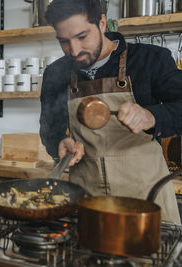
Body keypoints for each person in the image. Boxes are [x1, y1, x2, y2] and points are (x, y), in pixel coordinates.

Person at [39, 0, 182, 223]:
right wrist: (60, 143)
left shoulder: (150, 60)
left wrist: (152, 116)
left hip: (146, 198)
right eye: (64, 42)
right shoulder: (56, 74)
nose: (74, 50)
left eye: (82, 36)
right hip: (85, 199)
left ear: (102, 23)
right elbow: (50, 129)